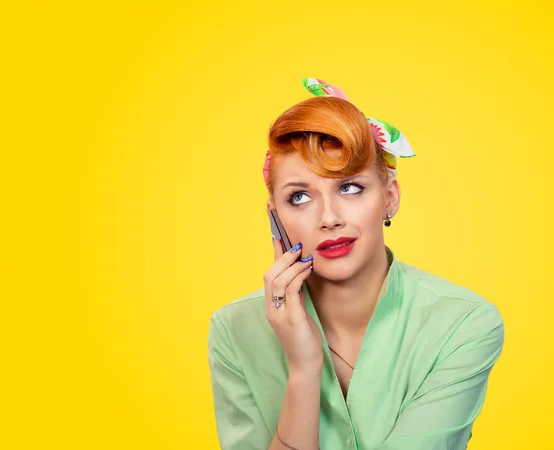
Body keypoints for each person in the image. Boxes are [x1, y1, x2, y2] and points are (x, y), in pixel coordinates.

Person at [207, 78, 504, 450]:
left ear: (390, 197)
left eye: (349, 188)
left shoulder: (464, 324)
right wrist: (303, 370)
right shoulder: (234, 331)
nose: (329, 218)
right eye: (299, 196)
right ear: (275, 217)